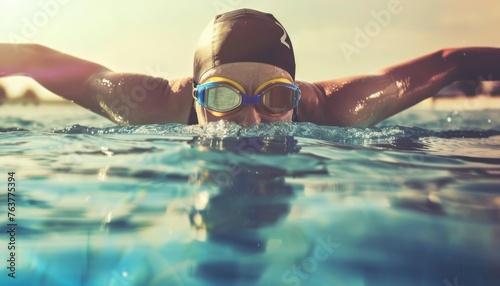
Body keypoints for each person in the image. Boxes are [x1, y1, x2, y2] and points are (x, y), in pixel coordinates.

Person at [1, 8, 499, 127]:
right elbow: (32, 61)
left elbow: (452, 62)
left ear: (297, 96)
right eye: (222, 96)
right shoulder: (151, 104)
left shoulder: (339, 108)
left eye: (277, 99)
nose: (252, 120)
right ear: (195, 95)